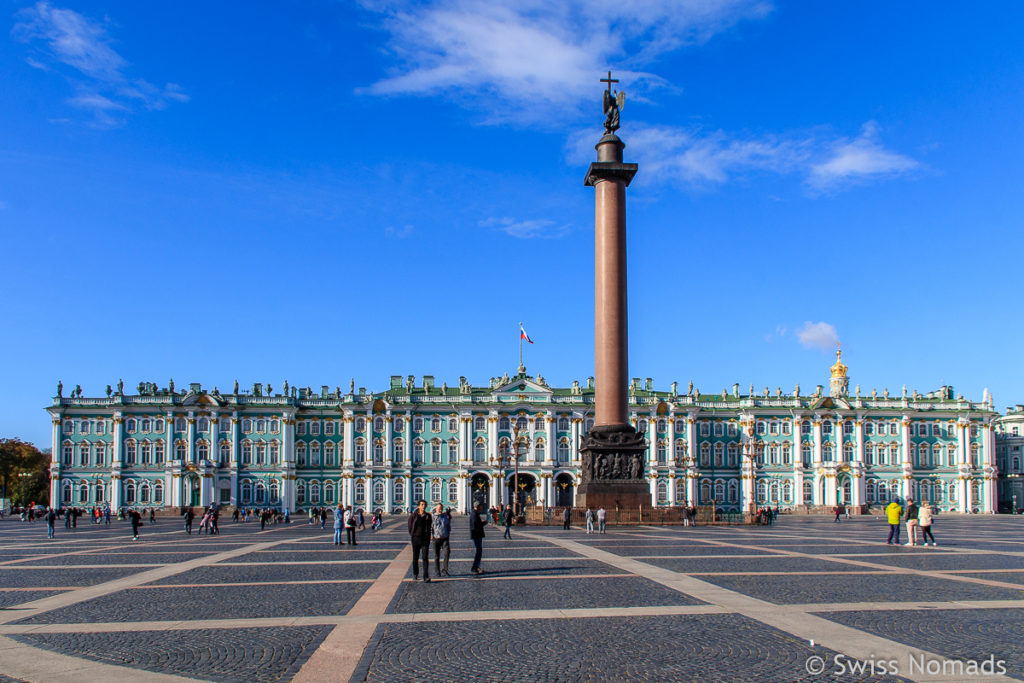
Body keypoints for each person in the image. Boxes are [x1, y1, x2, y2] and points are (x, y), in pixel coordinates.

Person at [408, 500, 432, 582]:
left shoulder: (428, 516)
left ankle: (426, 576)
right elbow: (410, 527)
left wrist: (429, 536)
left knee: (425, 557)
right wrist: (413, 535)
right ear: (418, 506)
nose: (423, 506)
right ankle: (415, 573)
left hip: (425, 539)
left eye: (425, 505)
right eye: (422, 505)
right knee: (415, 557)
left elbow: (430, 527)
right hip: (416, 539)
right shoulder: (413, 516)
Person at [431, 503, 451, 577]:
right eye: (439, 508)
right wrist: (431, 535)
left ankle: (445, 569)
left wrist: (448, 533)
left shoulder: (445, 516)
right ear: (436, 509)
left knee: (447, 553)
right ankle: (437, 571)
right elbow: (430, 527)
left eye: (441, 508)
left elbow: (448, 525)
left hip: (445, 538)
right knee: (436, 556)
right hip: (436, 538)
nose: (440, 510)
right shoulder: (433, 517)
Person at [470, 502, 486, 574]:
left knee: (479, 551)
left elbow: (476, 524)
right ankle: (475, 567)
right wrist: (483, 524)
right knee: (479, 552)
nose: (482, 508)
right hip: (477, 535)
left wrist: (482, 523)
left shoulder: (475, 513)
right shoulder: (474, 514)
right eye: (481, 506)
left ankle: (476, 566)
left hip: (477, 535)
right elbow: (474, 526)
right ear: (478, 507)